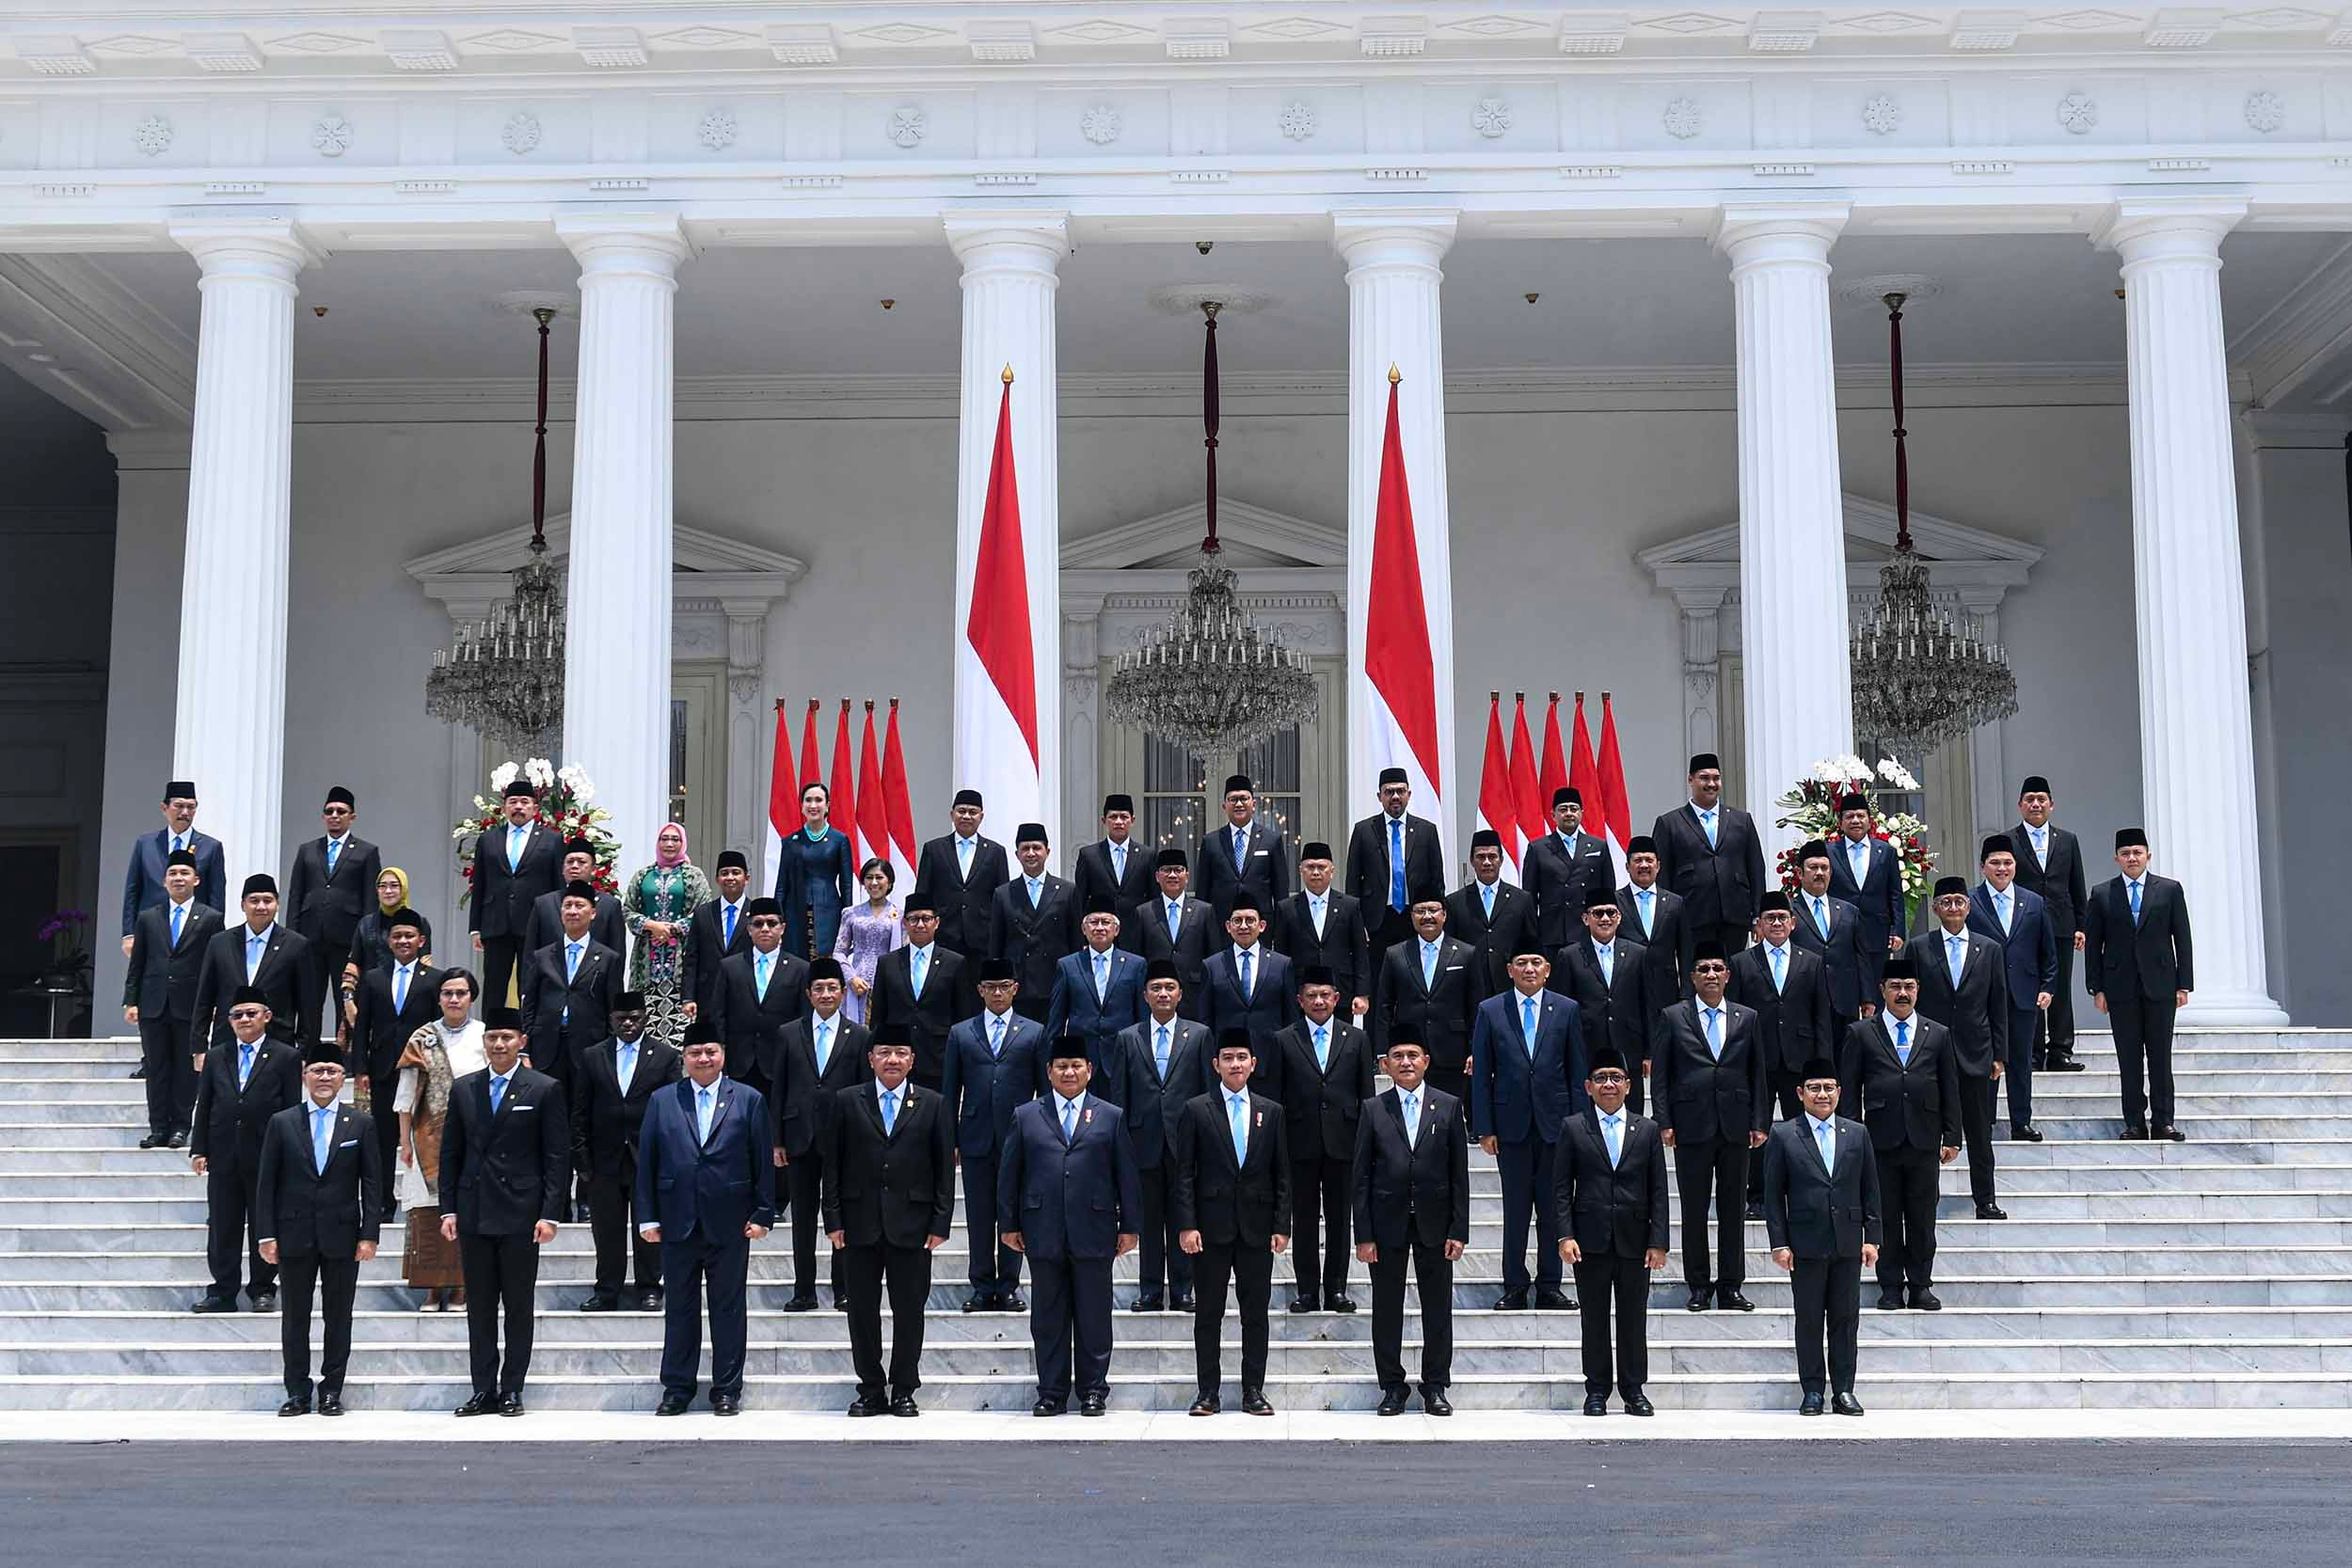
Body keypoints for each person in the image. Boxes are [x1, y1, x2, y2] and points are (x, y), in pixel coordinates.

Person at [639, 1022, 776, 1416]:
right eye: (695, 1052)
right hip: (677, 1220)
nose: (703, 1058)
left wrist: (763, 1213)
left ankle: (727, 1389)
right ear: (683, 1058)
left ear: (723, 1055)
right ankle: (677, 1388)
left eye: (710, 1051)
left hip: (731, 1221)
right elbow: (647, 1162)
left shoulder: (748, 1099)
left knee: (728, 1308)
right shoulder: (663, 1100)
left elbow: (762, 1161)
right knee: (679, 1308)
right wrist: (647, 1217)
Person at [999, 1041, 1143, 1417]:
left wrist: (1130, 1225)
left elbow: (1126, 1175)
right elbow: (1010, 1174)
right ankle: (1051, 1392)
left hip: (1094, 1229)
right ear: (1048, 1071)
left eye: (1075, 1065)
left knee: (1094, 1315)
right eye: (1061, 1065)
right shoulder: (1027, 1114)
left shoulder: (1109, 1115)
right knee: (1048, 1317)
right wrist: (1009, 1222)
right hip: (1042, 1228)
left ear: (1089, 1070)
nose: (1068, 1072)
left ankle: (1093, 1390)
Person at [439, 1006, 568, 1417]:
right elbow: (451, 1154)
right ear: (485, 1042)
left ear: (521, 1042)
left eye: (507, 1038)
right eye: (493, 1038)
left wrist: (550, 1213)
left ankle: (512, 1387)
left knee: (517, 1305)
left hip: (520, 1213)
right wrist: (448, 1210)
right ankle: (483, 1389)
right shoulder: (464, 1089)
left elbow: (556, 1157)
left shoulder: (543, 1088)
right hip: (475, 1210)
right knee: (479, 1307)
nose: (499, 1045)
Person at [825, 1026, 955, 1416]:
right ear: (871, 1058)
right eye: (885, 1052)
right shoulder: (848, 1101)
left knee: (909, 1309)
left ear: (912, 1060)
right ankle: (870, 1388)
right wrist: (832, 1218)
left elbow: (943, 1169)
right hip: (858, 1223)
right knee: (861, 1311)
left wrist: (940, 1223)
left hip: (913, 1226)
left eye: (901, 1053)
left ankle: (903, 1388)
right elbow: (832, 1164)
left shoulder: (932, 1103)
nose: (893, 1060)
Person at [255, 1040, 382, 1416]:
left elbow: (372, 1183)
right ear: (304, 1075)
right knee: (295, 1316)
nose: (324, 1077)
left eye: (332, 1071)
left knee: (338, 1315)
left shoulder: (360, 1122)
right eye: (317, 1070)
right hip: (293, 1233)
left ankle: (331, 1390)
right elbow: (267, 1182)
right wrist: (266, 1233)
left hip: (342, 1234)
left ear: (343, 1078)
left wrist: (369, 1233)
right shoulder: (282, 1122)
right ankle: (297, 1391)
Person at [1173, 1032, 1291, 1416]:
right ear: (1216, 1065)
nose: (1235, 1064)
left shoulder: (1270, 1111)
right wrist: (1187, 1225)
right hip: (1210, 1229)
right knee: (1209, 1314)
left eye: (1242, 1057)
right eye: (1228, 1057)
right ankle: (1208, 1392)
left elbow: (1282, 1174)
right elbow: (1184, 1173)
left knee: (1255, 1314)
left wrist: (1281, 1224)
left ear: (1253, 1063)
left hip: (1257, 1229)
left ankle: (1253, 1390)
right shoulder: (1196, 1109)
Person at [1352, 1034, 1468, 1417]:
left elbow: (1458, 1175)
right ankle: (1392, 1386)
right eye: (1397, 1056)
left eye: (1412, 1056)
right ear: (1385, 1065)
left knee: (1438, 1308)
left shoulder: (1448, 1106)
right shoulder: (1373, 1109)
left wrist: (1459, 1229)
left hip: (1436, 1223)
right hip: (1387, 1223)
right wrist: (1364, 1234)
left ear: (1426, 1061)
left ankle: (1435, 1385)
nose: (1405, 1062)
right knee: (1387, 1307)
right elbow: (1361, 1177)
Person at [1649, 942, 1767, 1313]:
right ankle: (1698, 1285)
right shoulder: (1672, 1016)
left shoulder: (1747, 1017)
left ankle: (1731, 1285)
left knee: (1733, 1209)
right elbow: (1662, 1076)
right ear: (1693, 977)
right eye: (1704, 969)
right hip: (1691, 1126)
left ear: (1728, 975)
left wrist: (1759, 1122)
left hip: (1734, 1126)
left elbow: (1757, 1072)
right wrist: (1664, 1121)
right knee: (1694, 1209)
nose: (1712, 974)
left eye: (1718, 968)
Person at [1836, 958, 1960, 1311]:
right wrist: (1851, 1137)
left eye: (1908, 987)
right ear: (1883, 990)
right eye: (1895, 987)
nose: (1902, 994)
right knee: (1885, 1215)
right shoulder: (1861, 1033)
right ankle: (1890, 1285)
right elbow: (1850, 1088)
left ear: (1918, 990)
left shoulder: (1937, 1034)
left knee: (1922, 1216)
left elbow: (1951, 1088)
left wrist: (1952, 1136)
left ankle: (1920, 1284)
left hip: (1924, 1139)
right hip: (1879, 1141)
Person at [1762, 1058, 1882, 1417]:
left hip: (1847, 1240)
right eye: (1814, 1088)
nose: (1822, 1094)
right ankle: (1812, 1390)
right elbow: (1772, 1195)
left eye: (1829, 1087)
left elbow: (1870, 1189)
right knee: (1810, 1319)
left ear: (1840, 1092)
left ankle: (1843, 1390)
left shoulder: (1856, 1133)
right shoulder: (1785, 1134)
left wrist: (1872, 1237)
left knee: (1846, 1320)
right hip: (1805, 1243)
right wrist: (1779, 1243)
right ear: (1800, 1094)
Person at [1553, 1049, 1669, 1418]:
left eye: (1616, 1077)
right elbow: (1559, 1188)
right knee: (1595, 1317)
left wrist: (1659, 1241)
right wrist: (1564, 1235)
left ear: (1629, 1085)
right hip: (1589, 1240)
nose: (1608, 1084)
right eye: (1601, 1077)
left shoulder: (1647, 1129)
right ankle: (1597, 1390)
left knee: (1634, 1318)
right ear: (1588, 1087)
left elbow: (1659, 1190)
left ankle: (1634, 1389)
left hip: (1636, 1241)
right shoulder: (1574, 1127)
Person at [1470, 944, 1584, 1311]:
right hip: (1510, 1127)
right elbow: (1482, 1076)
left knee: (1553, 1210)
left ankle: (1550, 1285)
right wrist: (1484, 1127)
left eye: (1536, 962)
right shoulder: (1490, 1011)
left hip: (1556, 1126)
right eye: (1522, 962)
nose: (1529, 968)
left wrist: (1579, 1126)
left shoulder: (1567, 1010)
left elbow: (1577, 1071)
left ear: (1548, 969)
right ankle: (1515, 1285)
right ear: (1510, 969)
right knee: (1516, 1210)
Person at [187, 986, 304, 1313]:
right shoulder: (216, 1056)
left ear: (266, 1017)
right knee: (222, 1226)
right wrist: (199, 1149)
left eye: (251, 1013)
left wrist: (290, 1153)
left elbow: (292, 1109)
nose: (244, 1019)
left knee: (264, 1223)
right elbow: (206, 1104)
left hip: (267, 1154)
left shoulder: (286, 1056)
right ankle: (222, 1291)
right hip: (224, 1154)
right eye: (237, 1015)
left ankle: (263, 1288)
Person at [1102, 960, 1210, 1310]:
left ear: (1180, 994)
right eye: (1156, 988)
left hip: (1186, 1141)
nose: (1163, 994)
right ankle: (1149, 1289)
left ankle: (1183, 1289)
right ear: (1145, 995)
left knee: (1184, 1215)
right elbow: (1120, 1095)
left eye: (1169, 988)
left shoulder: (1199, 1035)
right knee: (1147, 1218)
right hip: (1142, 1140)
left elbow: (1207, 1094)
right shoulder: (1128, 1037)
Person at [942, 960, 1045, 1310]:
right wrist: (952, 1137)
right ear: (980, 990)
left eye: (1004, 986)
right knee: (980, 1213)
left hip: (1020, 1136)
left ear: (1015, 988)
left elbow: (1044, 1093)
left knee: (1013, 1210)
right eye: (991, 987)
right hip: (975, 1134)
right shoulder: (961, 1033)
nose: (998, 993)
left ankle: (1009, 1285)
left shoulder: (1033, 1032)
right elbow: (950, 1089)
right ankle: (982, 1284)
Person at [1730, 890, 1838, 1220]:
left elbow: (1822, 1015)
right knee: (1756, 1129)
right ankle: (1757, 1196)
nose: (1776, 923)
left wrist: (1823, 1066)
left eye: (1782, 918)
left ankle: (1802, 1191)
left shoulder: (1811, 961)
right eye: (1769, 919)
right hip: (1758, 1059)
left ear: (1793, 923)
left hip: (1800, 1059)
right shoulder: (1741, 962)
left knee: (1802, 1130)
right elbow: (1734, 1015)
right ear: (1758, 925)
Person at [1271, 965, 1373, 1313]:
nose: (1318, 1001)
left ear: (1337, 999)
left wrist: (1365, 1144)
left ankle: (1337, 1290)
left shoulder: (1356, 1039)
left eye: (1324, 995)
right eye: (1311, 996)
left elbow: (1367, 1099)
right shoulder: (1284, 1039)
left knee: (1339, 1219)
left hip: (1343, 1143)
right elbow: (1276, 1099)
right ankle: (1307, 1291)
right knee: (1303, 1217)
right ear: (1300, 1001)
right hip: (1299, 1142)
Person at [1908, 877, 2011, 1218]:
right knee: (1928, 1133)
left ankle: (1986, 1199)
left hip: (1976, 1054)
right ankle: (1926, 1201)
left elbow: (1998, 1004)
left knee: (1980, 1133)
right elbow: (1911, 1001)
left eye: (1959, 901)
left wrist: (2000, 1054)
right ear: (1935, 908)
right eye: (1946, 902)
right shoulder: (1920, 947)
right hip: (1930, 1054)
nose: (1953, 907)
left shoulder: (1990, 948)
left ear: (1968, 906)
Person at [2082, 828, 2194, 1141]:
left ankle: (2163, 1121)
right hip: (2120, 988)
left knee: (2160, 1056)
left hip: (2161, 985)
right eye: (2126, 853)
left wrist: (2184, 983)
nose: (2132, 858)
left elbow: (2182, 937)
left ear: (2148, 855)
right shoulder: (2102, 893)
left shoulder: (2169, 890)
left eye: (2137, 852)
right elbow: (2094, 946)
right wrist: (2097, 988)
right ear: (2116, 857)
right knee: (2128, 1058)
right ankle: (2134, 1121)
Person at [571, 991, 680, 1312]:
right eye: (622, 1019)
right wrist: (582, 1161)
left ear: (646, 1017)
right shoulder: (593, 1056)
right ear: (611, 1021)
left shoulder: (664, 1056)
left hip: (648, 1159)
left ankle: (649, 1287)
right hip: (603, 1160)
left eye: (635, 1017)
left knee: (649, 1226)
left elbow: (674, 1114)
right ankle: (607, 1289)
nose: (629, 1024)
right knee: (606, 1230)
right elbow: (580, 1111)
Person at [772, 958, 870, 1311]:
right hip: (800, 1137)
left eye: (832, 988)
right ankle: (804, 1290)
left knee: (841, 1214)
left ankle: (842, 1287)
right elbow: (779, 1088)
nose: (826, 994)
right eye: (819, 989)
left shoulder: (859, 1036)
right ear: (808, 994)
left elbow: (864, 1092)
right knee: (802, 1217)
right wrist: (777, 1139)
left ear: (843, 993)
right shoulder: (788, 1033)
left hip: (844, 1140)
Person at [391, 969, 485, 1312]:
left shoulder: (485, 1036)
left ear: (471, 997)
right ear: (439, 998)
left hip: (474, 1138)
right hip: (426, 1136)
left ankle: (461, 1286)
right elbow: (406, 1095)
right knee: (428, 1213)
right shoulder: (423, 1037)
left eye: (461, 993)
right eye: (447, 993)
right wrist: (404, 1141)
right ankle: (430, 1288)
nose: (454, 999)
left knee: (464, 1210)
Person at [123, 848, 221, 1148]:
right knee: (156, 1068)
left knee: (185, 1069)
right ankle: (158, 1128)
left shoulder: (210, 919)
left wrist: (215, 1003)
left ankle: (181, 1127)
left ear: (196, 879)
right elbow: (137, 962)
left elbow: (214, 964)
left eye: (184, 873)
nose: (179, 878)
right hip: (153, 1004)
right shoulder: (148, 917)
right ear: (164, 881)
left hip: (191, 1005)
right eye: (173, 874)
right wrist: (131, 1000)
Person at [347, 910, 437, 1216]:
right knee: (383, 1140)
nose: (403, 941)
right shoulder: (374, 978)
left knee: (424, 1135)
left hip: (422, 1070)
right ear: (388, 940)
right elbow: (362, 1027)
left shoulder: (435, 980)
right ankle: (384, 1203)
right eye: (397, 936)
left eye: (409, 936)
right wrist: (360, 1068)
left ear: (421, 940)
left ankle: (426, 1201)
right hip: (383, 1068)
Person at [1972, 834, 2058, 1143]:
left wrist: (2048, 985)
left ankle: (2022, 1122)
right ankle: (1985, 1122)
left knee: (2021, 1061)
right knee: (1985, 1062)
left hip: (2023, 996)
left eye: (2007, 862)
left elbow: (2047, 949)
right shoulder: (1970, 902)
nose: (2002, 868)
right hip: (1983, 998)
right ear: (1983, 867)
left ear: (2015, 866)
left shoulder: (2033, 902)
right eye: (1995, 862)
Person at [283, 786, 381, 1043]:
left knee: (346, 997)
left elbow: (370, 901)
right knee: (309, 998)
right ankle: (307, 1051)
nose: (335, 815)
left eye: (341, 811)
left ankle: (347, 1054)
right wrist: (291, 935)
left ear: (352, 817)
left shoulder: (366, 852)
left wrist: (365, 943)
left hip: (347, 939)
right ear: (323, 816)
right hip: (309, 937)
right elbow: (296, 895)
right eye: (330, 811)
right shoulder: (307, 850)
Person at [1370, 897, 1480, 1116]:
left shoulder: (1466, 953)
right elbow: (1383, 1005)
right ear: (1412, 917)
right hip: (1409, 1052)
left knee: (1449, 1117)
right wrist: (1383, 1051)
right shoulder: (1395, 954)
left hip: (1452, 1051)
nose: (1427, 916)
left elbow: (1475, 1005)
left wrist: (1474, 1049)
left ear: (1444, 915)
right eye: (1420, 911)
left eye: (1433, 910)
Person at [1649, 753, 1767, 956]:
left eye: (1716, 778)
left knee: (1733, 977)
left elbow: (1756, 869)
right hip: (1691, 916)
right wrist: (1666, 919)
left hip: (1735, 917)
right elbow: (1662, 874)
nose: (1711, 784)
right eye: (1704, 778)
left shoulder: (1742, 820)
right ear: (1690, 780)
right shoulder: (1669, 823)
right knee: (1696, 975)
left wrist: (1758, 916)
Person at [2010, 775, 2090, 1073]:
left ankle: (2060, 1051)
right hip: (2023, 925)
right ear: (2020, 805)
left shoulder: (2068, 840)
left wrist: (2081, 925)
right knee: (2028, 987)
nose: (2035, 804)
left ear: (2051, 805)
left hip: (2061, 924)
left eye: (2041, 799)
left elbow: (2076, 885)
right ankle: (2032, 1053)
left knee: (2060, 988)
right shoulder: (2010, 840)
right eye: (2029, 799)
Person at [191, 874, 319, 1053]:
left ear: (277, 905)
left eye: (268, 900)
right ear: (243, 905)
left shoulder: (296, 945)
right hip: (226, 1043)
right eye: (254, 900)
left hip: (277, 1043)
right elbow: (204, 998)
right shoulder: (220, 943)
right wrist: (199, 1048)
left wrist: (306, 1052)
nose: (261, 906)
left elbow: (308, 1006)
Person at [1555, 893, 1657, 1118]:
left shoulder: (1638, 954)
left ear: (1619, 917)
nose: (1605, 918)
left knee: (1631, 1119)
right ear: (1585, 918)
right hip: (1586, 1048)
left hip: (1628, 1047)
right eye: (1598, 913)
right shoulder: (1569, 955)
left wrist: (1649, 1052)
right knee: (1588, 1121)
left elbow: (1648, 1004)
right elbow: (1562, 1011)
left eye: (1611, 913)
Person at [519, 881, 623, 1100]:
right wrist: (525, 1049)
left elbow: (614, 1010)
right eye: (568, 906)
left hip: (589, 1047)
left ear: (593, 913)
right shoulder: (543, 956)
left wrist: (609, 1053)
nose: (573, 911)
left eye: (579, 905)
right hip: (547, 1047)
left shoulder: (607, 959)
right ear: (561, 913)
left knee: (582, 1114)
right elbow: (529, 1004)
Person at [469, 779, 564, 1008]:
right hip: (496, 922)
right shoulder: (489, 839)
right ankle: (491, 1035)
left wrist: (556, 925)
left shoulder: (552, 840)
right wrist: (475, 928)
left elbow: (558, 886)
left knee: (531, 984)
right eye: (513, 802)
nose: (518, 807)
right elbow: (479, 884)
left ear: (535, 808)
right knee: (493, 985)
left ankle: (529, 1038)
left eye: (524, 802)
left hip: (535, 921)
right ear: (504, 808)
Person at [867, 896, 972, 1093]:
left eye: (926, 918)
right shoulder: (887, 963)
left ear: (937, 922)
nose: (920, 924)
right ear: (905, 923)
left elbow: (962, 1016)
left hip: (939, 1059)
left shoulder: (955, 963)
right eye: (914, 919)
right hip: (897, 1060)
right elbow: (878, 1018)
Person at [623, 823, 712, 1049]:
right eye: (664, 839)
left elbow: (703, 911)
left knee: (681, 1029)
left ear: (683, 843)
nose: (669, 844)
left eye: (675, 839)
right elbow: (627, 910)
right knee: (647, 1024)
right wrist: (651, 925)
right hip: (647, 965)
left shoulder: (694, 875)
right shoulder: (643, 875)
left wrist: (672, 928)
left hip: (681, 965)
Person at [709, 897, 808, 1094]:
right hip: (738, 1065)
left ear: (783, 928)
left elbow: (803, 1021)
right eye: (758, 923)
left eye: (772, 923)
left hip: (780, 1065)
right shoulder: (729, 967)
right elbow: (718, 1017)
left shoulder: (801, 969)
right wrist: (721, 1061)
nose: (765, 929)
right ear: (749, 929)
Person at [1200, 893, 1296, 1095]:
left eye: (1250, 920)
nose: (1243, 926)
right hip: (1228, 1064)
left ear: (1262, 926)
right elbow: (1205, 1020)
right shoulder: (1212, 965)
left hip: (1269, 1061)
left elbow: (1290, 1019)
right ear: (1228, 927)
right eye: (1237, 921)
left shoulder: (1281, 964)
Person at [119, 779, 225, 958]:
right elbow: (133, 890)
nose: (185, 812)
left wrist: (216, 936)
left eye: (191, 807)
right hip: (151, 929)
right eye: (179, 806)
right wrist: (129, 934)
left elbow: (216, 895)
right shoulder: (146, 844)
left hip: (195, 933)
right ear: (164, 808)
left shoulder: (210, 847)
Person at [1344, 766, 1444, 953]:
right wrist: (1357, 924)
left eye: (1400, 791)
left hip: (1416, 918)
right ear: (1379, 796)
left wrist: (1435, 920)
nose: (1395, 796)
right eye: (1389, 792)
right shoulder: (1364, 831)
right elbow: (1353, 883)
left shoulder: (1426, 831)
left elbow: (1437, 881)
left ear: (1409, 794)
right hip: (1376, 921)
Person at [989, 823, 1080, 1022]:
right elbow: (996, 945)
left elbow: (1075, 942)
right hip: (1017, 985)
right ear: (1016, 854)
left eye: (1036, 848)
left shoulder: (1067, 890)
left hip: (1054, 981)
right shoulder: (1003, 893)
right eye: (1025, 848)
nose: (1031, 853)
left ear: (1047, 852)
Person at [1276, 841, 1375, 1018]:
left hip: (1341, 992)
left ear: (1332, 870)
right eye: (1310, 867)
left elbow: (1360, 952)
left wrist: (1362, 994)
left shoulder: (1349, 905)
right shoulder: (1287, 908)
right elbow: (1282, 956)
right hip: (1301, 995)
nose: (1315, 872)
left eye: (1321, 867)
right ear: (1300, 870)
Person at [1043, 896, 1148, 1061]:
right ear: (1084, 929)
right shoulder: (1067, 965)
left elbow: (1142, 1016)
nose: (1100, 928)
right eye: (1094, 922)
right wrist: (1053, 1058)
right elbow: (1056, 1019)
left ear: (1116, 930)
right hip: (1081, 1059)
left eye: (1105, 922)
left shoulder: (1135, 965)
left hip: (1123, 1054)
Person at [911, 788, 1009, 960]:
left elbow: (1001, 898)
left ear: (981, 816)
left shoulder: (996, 852)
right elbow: (922, 895)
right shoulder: (934, 849)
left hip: (982, 940)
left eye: (973, 812)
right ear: (952, 814)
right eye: (961, 811)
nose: (966, 816)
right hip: (943, 938)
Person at [1825, 793, 1906, 991]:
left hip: (1877, 932)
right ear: (1840, 822)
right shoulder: (1829, 851)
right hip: (1841, 933)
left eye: (1860, 816)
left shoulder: (1886, 851)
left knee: (1877, 989)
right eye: (1849, 816)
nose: (1855, 821)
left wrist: (1898, 931)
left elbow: (1895, 893)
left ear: (1870, 821)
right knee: (1845, 990)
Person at [1524, 786, 1615, 956]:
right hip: (1553, 933)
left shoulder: (1598, 846)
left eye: (1574, 809)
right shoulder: (1538, 848)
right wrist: (1533, 935)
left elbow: (1608, 891)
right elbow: (1529, 897)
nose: (1569, 813)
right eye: (1563, 809)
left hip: (1588, 932)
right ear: (1553, 815)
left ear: (1581, 813)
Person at [1789, 841, 1873, 1024]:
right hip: (1803, 1001)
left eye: (1824, 868)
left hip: (1844, 1002)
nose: (1820, 873)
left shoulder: (1849, 911)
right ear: (1800, 873)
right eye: (1813, 867)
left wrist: (1867, 997)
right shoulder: (1788, 912)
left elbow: (1861, 956)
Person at [1445, 830, 1534, 1001]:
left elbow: (1531, 941)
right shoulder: (1455, 902)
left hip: (1510, 982)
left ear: (1501, 860)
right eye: (1480, 857)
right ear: (1472, 861)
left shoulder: (1522, 899)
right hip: (1470, 984)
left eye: (1492, 856)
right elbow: (1451, 947)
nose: (1487, 862)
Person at [342, 866, 435, 1026]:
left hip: (407, 1000)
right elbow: (354, 964)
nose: (388, 891)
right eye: (382, 886)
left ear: (403, 888)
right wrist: (348, 1000)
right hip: (370, 996)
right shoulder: (366, 923)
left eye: (394, 885)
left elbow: (424, 966)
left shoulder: (418, 922)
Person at [774, 783, 857, 961]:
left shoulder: (839, 840)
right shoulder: (790, 842)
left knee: (825, 969)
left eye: (818, 800)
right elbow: (781, 887)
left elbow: (846, 886)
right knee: (797, 967)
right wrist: (777, 920)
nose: (813, 805)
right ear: (802, 806)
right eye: (808, 800)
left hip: (829, 913)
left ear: (827, 805)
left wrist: (847, 922)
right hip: (796, 914)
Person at [1133, 848, 1216, 1021]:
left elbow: (1213, 957)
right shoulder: (1143, 912)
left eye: (1178, 870)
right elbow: (1137, 960)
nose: (1172, 875)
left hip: (1195, 995)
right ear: (1157, 876)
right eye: (1166, 870)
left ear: (1187, 876)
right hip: (1156, 998)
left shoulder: (1204, 911)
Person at [1195, 774, 1292, 919]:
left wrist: (1280, 931)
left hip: (1260, 925)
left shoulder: (1271, 840)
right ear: (1224, 806)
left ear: (1253, 804)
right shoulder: (1211, 842)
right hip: (1220, 925)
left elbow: (1281, 891)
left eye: (1244, 799)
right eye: (1233, 799)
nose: (1239, 804)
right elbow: (1202, 891)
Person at [524, 839, 628, 968]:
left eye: (581, 862)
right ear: (562, 869)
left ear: (593, 869)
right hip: (550, 984)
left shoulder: (610, 905)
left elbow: (617, 955)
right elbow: (530, 955)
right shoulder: (544, 904)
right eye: (570, 862)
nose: (574, 866)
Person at [1616, 836, 1692, 1006]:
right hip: (1626, 990)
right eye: (1638, 860)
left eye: (1649, 860)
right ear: (1628, 867)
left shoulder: (1675, 903)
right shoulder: (1616, 902)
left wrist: (1686, 993)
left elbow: (1685, 951)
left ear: (1658, 866)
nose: (1644, 865)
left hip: (1666, 991)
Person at [833, 858, 905, 1026]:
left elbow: (904, 951)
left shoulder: (900, 915)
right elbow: (839, 952)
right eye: (869, 877)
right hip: (856, 986)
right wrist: (851, 978)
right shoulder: (850, 913)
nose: (874, 883)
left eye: (879, 877)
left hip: (887, 985)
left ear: (890, 882)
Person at [685, 849, 755, 1023]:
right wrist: (688, 997)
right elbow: (692, 957)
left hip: (745, 995)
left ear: (747, 878)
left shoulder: (756, 914)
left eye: (736, 873)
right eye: (724, 873)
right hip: (708, 997)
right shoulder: (703, 914)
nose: (730, 877)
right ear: (717, 879)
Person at [1073, 793, 1153, 920]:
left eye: (1124, 817)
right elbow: (1080, 900)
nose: (1119, 822)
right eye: (1113, 817)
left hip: (1137, 930)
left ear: (1132, 820)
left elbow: (1153, 898)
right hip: (1100, 930)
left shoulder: (1147, 855)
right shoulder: (1089, 855)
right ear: (1104, 821)